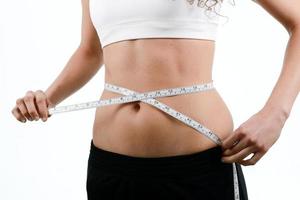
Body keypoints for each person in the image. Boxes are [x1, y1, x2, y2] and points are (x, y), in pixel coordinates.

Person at [11, 0, 300, 199]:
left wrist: (276, 114)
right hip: (110, 169)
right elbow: (91, 49)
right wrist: (46, 98)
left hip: (196, 168)